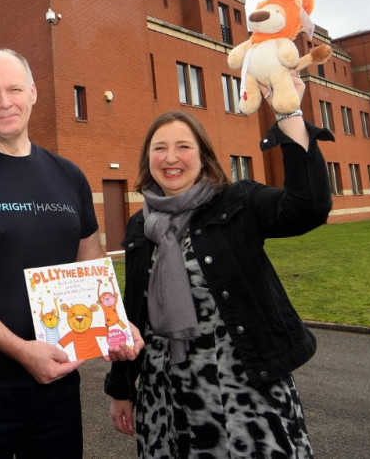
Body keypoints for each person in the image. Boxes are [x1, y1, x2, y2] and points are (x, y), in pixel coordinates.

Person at [0, 48, 142, 459]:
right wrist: (20, 350)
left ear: (34, 93)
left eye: (14, 89)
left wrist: (117, 323)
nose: (4, 102)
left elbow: (91, 266)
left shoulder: (68, 176)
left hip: (56, 379)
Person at [105, 81, 333, 458]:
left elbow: (308, 207)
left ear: (203, 155)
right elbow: (134, 314)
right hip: (165, 395)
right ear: (148, 159)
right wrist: (121, 389)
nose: (170, 157)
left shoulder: (237, 202)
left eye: (183, 147)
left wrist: (289, 115)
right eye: (159, 148)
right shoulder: (140, 225)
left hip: (244, 388)